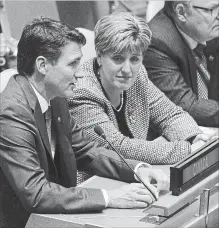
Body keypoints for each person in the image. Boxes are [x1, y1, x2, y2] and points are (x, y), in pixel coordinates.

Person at [0, 17, 169, 228]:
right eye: (72, 64)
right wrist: (110, 197)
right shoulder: (11, 113)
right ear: (42, 65)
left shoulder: (56, 98)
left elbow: (86, 150)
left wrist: (138, 169)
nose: (80, 74)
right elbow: (36, 193)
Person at [68, 12, 211, 166]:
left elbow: (170, 114)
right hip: (98, 180)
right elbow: (117, 147)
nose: (127, 70)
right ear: (99, 55)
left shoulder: (138, 75)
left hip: (139, 172)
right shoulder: (82, 91)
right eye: (118, 59)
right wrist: (187, 150)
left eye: (135, 59)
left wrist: (194, 137)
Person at [143, 0, 219, 127]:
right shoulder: (156, 43)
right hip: (180, 137)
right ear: (181, 12)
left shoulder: (209, 28)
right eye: (211, 9)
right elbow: (185, 105)